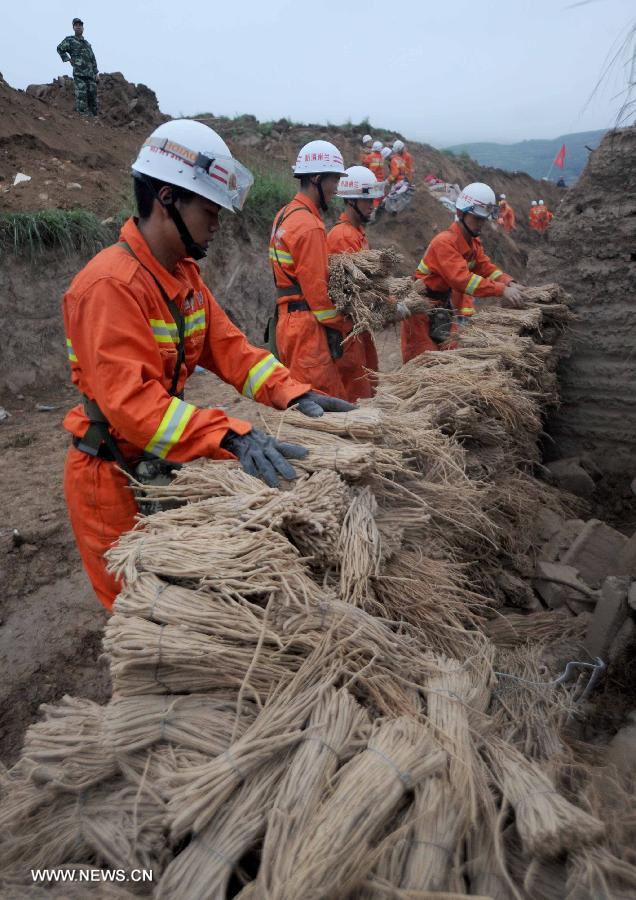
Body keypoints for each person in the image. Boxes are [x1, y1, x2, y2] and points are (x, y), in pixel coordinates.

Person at [62, 120, 352, 611]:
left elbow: (233, 350)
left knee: (181, 592)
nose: (217, 223)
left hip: (157, 458)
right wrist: (231, 435)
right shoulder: (110, 286)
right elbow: (132, 404)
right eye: (209, 209)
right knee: (140, 611)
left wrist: (294, 391)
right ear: (167, 198)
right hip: (109, 472)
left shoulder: (183, 278)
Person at [268, 140, 359, 399]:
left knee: (302, 400)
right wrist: (350, 322)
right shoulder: (309, 226)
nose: (336, 188)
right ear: (317, 178)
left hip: (287, 323)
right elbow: (321, 300)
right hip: (306, 329)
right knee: (326, 405)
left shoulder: (284, 215)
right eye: (333, 180)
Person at [401, 182, 526, 363]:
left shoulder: (472, 243)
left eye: (483, 219)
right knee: (423, 365)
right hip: (420, 312)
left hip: (441, 309)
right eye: (477, 219)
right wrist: (501, 290)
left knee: (447, 360)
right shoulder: (444, 242)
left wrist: (509, 282)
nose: (481, 224)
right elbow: (462, 280)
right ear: (460, 213)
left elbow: (486, 268)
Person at [326, 166, 386, 400]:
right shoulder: (343, 236)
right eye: (367, 200)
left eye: (373, 200)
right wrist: (389, 303)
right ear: (351, 201)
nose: (372, 205)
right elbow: (358, 289)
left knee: (368, 384)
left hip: (358, 326)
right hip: (347, 328)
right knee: (356, 392)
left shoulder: (356, 233)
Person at [57, 17, 98, 117]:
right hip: (79, 74)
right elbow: (59, 48)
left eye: (80, 25)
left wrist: (96, 73)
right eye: (76, 25)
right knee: (81, 96)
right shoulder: (70, 40)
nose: (78, 27)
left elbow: (92, 58)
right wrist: (68, 59)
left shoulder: (87, 44)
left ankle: (94, 119)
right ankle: (83, 119)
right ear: (73, 27)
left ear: (83, 28)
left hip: (90, 75)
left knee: (93, 96)